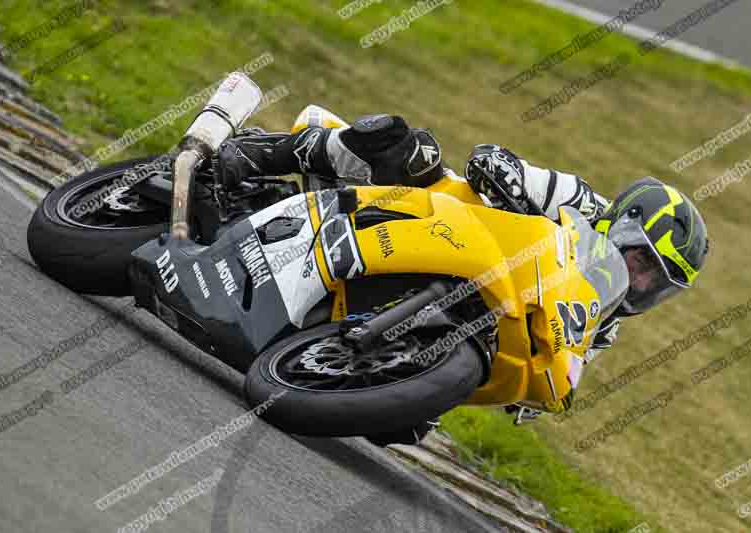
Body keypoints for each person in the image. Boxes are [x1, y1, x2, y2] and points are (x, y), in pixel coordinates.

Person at [216, 112, 709, 440]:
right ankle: (267, 153)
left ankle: (345, 340)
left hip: (485, 300)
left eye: (658, 284)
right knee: (407, 148)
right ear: (622, 222)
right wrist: (504, 175)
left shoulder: (604, 323)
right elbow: (497, 161)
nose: (641, 283)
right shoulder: (579, 201)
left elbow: (555, 366)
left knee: (405, 429)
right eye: (643, 262)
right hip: (443, 216)